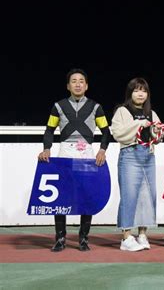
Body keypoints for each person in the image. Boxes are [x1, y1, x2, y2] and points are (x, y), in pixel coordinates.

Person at [38, 68, 111, 252]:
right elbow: (49, 130)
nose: (77, 84)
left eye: (81, 81)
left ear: (86, 86)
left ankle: (83, 239)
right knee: (62, 197)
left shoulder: (96, 107)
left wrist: (102, 150)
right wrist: (46, 149)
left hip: (86, 153)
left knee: (86, 195)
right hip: (64, 153)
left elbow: (105, 132)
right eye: (74, 81)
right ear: (68, 86)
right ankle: (60, 239)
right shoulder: (59, 106)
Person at [111, 78, 162, 252]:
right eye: (136, 90)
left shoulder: (151, 113)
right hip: (130, 154)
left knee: (147, 195)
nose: (140, 94)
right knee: (129, 195)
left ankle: (142, 234)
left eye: (144, 91)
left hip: (148, 155)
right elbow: (118, 133)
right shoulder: (122, 111)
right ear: (130, 93)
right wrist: (139, 124)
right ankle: (126, 237)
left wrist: (158, 132)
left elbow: (157, 137)